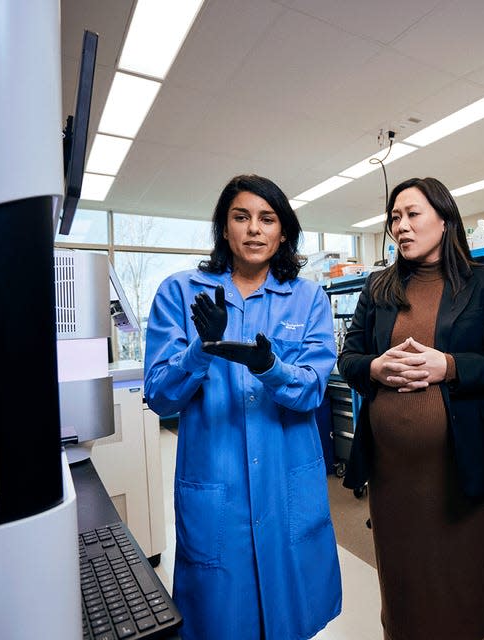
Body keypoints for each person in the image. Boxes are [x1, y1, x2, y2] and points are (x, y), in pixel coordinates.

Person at [144, 174, 342, 639]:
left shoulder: (308, 297)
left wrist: (271, 366)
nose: (254, 229)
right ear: (225, 229)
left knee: (291, 614)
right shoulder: (180, 292)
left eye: (267, 219)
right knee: (222, 619)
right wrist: (201, 349)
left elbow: (313, 388)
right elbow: (159, 394)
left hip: (286, 485)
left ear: (283, 232)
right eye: (242, 217)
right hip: (218, 488)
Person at [337, 176, 484, 640]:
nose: (401, 226)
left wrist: (449, 366)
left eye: (412, 214)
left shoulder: (482, 283)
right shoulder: (378, 288)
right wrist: (376, 368)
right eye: (394, 218)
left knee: (459, 576)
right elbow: (349, 359)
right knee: (401, 575)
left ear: (444, 220)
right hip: (392, 472)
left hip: (460, 466)